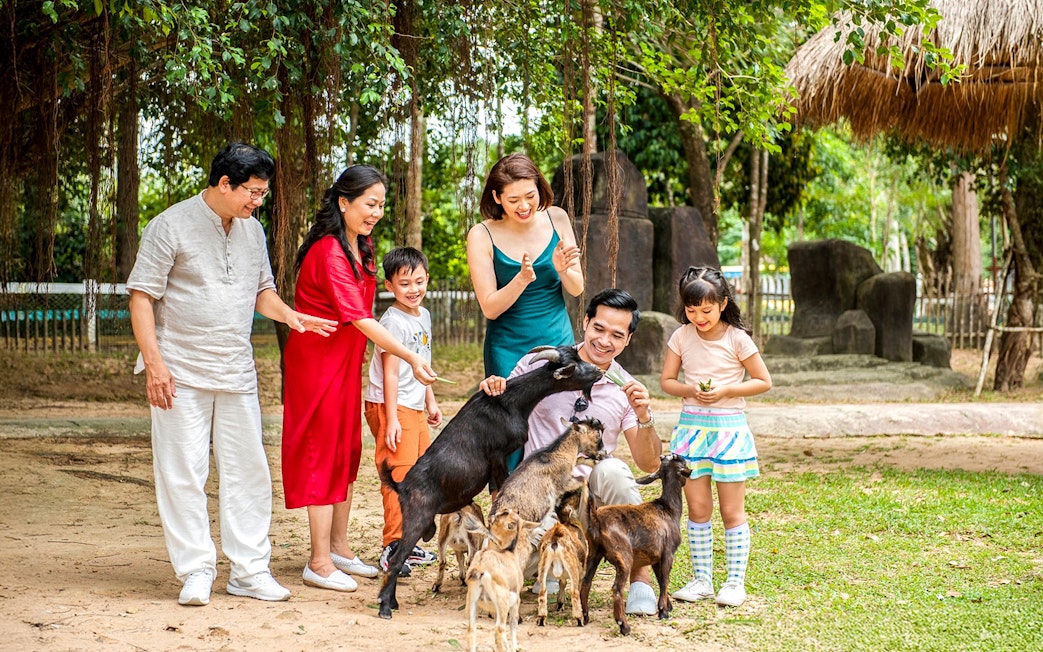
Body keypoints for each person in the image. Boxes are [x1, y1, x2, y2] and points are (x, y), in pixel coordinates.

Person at [127, 142, 339, 607]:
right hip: (179, 369)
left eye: (262, 194)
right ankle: (197, 569)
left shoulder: (251, 231)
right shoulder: (170, 225)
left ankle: (249, 570)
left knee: (248, 471)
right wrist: (155, 365)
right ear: (226, 184)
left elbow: (261, 291)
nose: (258, 202)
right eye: (254, 193)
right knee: (182, 471)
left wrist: (292, 317)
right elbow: (141, 296)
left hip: (235, 369)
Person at [281, 166, 437, 593]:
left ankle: (338, 549)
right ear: (344, 202)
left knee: (344, 451)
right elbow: (361, 317)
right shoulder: (329, 251)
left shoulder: (361, 246)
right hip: (317, 365)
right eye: (370, 203)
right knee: (321, 451)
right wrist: (408, 355)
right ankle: (316, 561)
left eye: (382, 205)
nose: (377, 213)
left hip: (345, 362)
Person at [478, 288, 663, 616]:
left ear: (628, 340)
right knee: (497, 581)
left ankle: (640, 579)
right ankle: (548, 567)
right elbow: (502, 408)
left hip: (589, 504)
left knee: (614, 471)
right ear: (585, 321)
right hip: (538, 497)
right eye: (599, 328)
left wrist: (645, 417)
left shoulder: (626, 388)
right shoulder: (544, 364)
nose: (605, 341)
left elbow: (648, 463)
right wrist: (494, 387)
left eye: (617, 335)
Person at [659, 266, 772, 608]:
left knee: (732, 511)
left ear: (723, 304)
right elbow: (667, 381)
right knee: (697, 508)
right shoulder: (681, 336)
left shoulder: (737, 338)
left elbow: (763, 380)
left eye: (706, 310)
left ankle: (735, 583)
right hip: (691, 432)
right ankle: (702, 580)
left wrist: (726, 391)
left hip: (729, 432)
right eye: (691, 310)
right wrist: (689, 388)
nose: (698, 317)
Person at [466, 153, 584, 472]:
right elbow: (490, 307)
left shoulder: (557, 218)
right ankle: (507, 509)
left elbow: (576, 287)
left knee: (559, 426)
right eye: (513, 199)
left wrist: (562, 270)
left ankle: (556, 511)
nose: (524, 206)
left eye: (530, 196)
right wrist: (520, 279)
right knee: (511, 434)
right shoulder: (481, 234)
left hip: (556, 341)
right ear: (496, 197)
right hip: (507, 346)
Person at [363, 247, 443, 577]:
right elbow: (392, 370)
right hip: (391, 406)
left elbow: (421, 362)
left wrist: (430, 400)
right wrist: (392, 418)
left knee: (420, 474)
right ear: (389, 286)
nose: (414, 289)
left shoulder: (422, 315)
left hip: (413, 406)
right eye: (405, 283)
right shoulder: (392, 323)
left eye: (419, 281)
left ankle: (408, 543)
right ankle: (392, 546)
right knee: (398, 475)